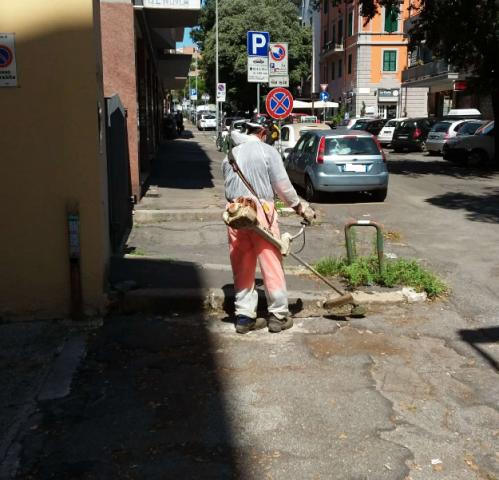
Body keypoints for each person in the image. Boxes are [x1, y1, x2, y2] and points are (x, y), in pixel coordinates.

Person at [222, 122, 315, 334]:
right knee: (271, 263)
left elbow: (228, 188)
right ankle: (278, 316)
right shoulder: (267, 151)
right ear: (262, 133)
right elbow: (282, 186)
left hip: (235, 213)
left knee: (242, 266)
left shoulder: (229, 156)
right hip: (261, 211)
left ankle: (244, 318)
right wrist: (300, 207)